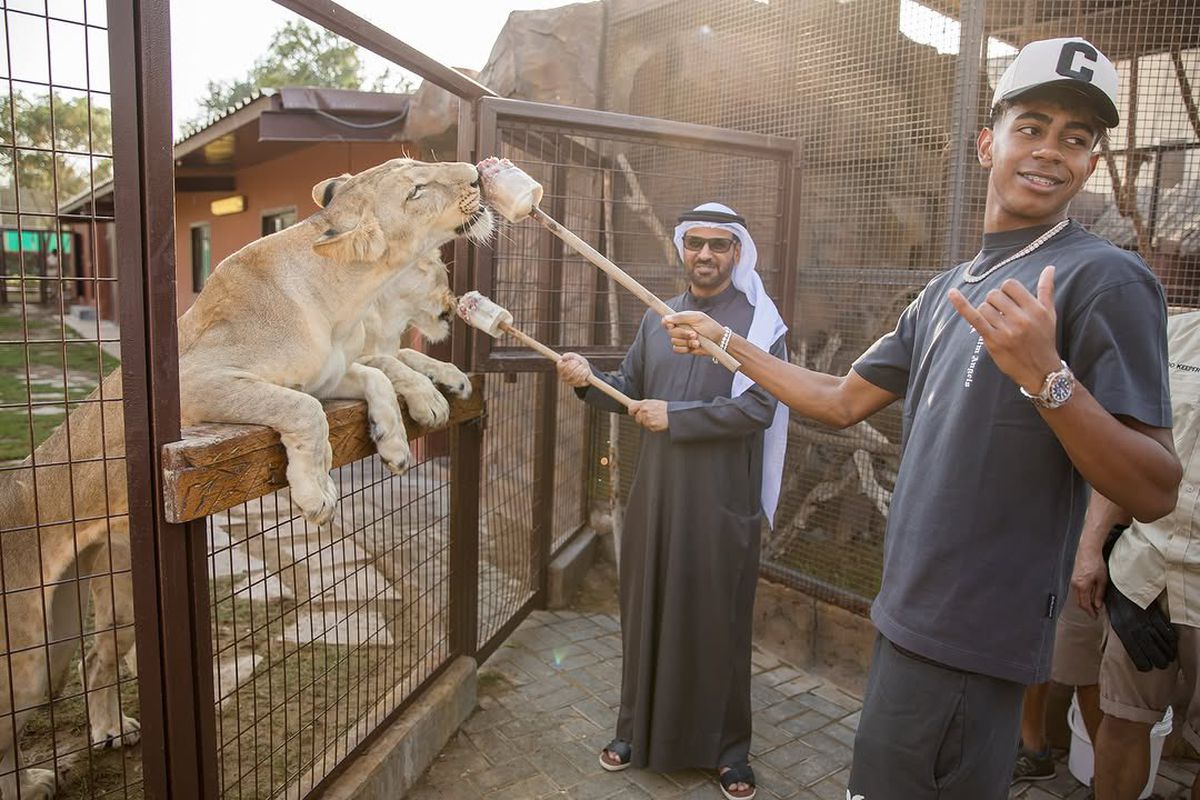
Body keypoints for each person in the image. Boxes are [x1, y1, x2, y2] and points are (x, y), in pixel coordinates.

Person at [663, 37, 1181, 799]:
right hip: (908, 614)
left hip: (973, 638)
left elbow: (1156, 488)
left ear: (1093, 165)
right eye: (1031, 126)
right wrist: (727, 343)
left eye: (1076, 138)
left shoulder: (1105, 279)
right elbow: (841, 400)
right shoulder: (945, 291)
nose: (1050, 151)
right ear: (986, 144)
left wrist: (1049, 379)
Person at [556, 202, 788, 800]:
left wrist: (676, 415)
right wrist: (589, 381)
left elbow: (759, 409)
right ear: (681, 249)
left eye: (719, 245)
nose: (705, 255)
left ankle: (729, 750)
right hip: (656, 493)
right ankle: (633, 730)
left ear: (737, 253)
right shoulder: (658, 317)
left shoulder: (759, 326)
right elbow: (629, 391)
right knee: (646, 608)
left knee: (717, 619)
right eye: (695, 244)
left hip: (719, 497)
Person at [1087, 311, 1200, 799]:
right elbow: (1128, 449)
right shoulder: (1172, 336)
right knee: (1121, 726)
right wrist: (1099, 549)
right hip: (1142, 577)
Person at [1013, 495, 1109, 783]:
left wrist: (1091, 545)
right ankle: (1033, 747)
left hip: (1092, 539)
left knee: (1084, 667)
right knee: (1036, 632)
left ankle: (1109, 783)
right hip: (1047, 523)